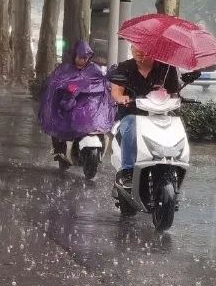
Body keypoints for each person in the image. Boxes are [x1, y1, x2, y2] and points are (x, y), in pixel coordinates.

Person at [108, 46, 201, 189]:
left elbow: (173, 92)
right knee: (129, 127)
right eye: (135, 47)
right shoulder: (124, 67)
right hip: (132, 113)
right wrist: (122, 98)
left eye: (143, 48)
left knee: (175, 126)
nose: (139, 51)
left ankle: (174, 163)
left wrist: (182, 87)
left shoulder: (167, 69)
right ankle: (127, 171)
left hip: (159, 114)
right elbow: (116, 91)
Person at [38, 40, 116, 168]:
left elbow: (102, 83)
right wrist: (66, 91)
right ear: (74, 56)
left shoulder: (93, 69)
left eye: (85, 58)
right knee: (58, 123)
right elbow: (54, 83)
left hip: (89, 108)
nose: (82, 61)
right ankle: (59, 150)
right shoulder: (65, 69)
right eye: (80, 57)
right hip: (67, 106)